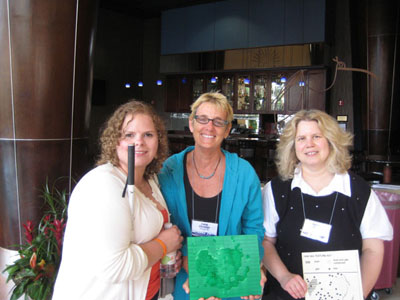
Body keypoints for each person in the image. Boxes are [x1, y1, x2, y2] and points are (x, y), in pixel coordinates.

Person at [52, 100, 183, 300]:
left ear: (158, 142)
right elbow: (115, 266)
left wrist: (166, 254)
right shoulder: (103, 185)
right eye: (129, 135)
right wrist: (164, 245)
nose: (139, 142)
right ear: (115, 141)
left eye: (148, 134)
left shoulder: (150, 180)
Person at [262, 109, 393, 300]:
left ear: (331, 141)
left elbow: (373, 250)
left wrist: (357, 295)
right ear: (293, 146)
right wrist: (284, 277)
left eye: (317, 136)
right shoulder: (276, 189)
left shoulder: (359, 192)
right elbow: (266, 242)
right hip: (285, 294)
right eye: (301, 138)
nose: (310, 144)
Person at [158, 92, 266, 300]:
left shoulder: (244, 174)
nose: (209, 127)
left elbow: (253, 230)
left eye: (218, 122)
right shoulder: (169, 170)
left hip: (233, 280)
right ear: (191, 124)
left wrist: (251, 268)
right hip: (186, 282)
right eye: (203, 119)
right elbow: (164, 226)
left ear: (227, 130)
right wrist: (199, 274)